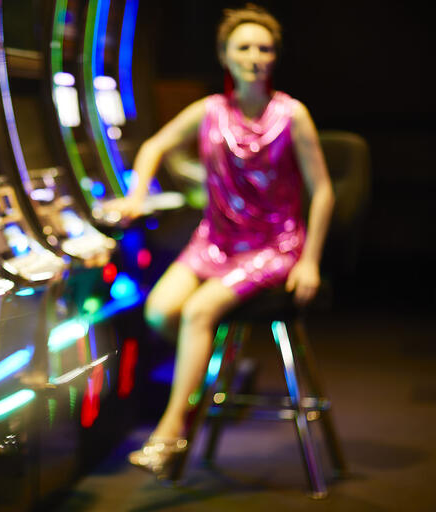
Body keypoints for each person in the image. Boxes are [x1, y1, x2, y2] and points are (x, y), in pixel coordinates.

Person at [107, 3, 335, 481]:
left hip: (273, 245)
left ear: (275, 57)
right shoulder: (208, 110)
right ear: (225, 57)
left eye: (264, 48)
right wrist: (134, 196)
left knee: (197, 311)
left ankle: (171, 431)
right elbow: (153, 146)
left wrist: (310, 260)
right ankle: (207, 373)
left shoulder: (292, 114)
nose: (255, 56)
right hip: (216, 240)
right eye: (244, 47)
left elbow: (323, 190)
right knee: (158, 310)